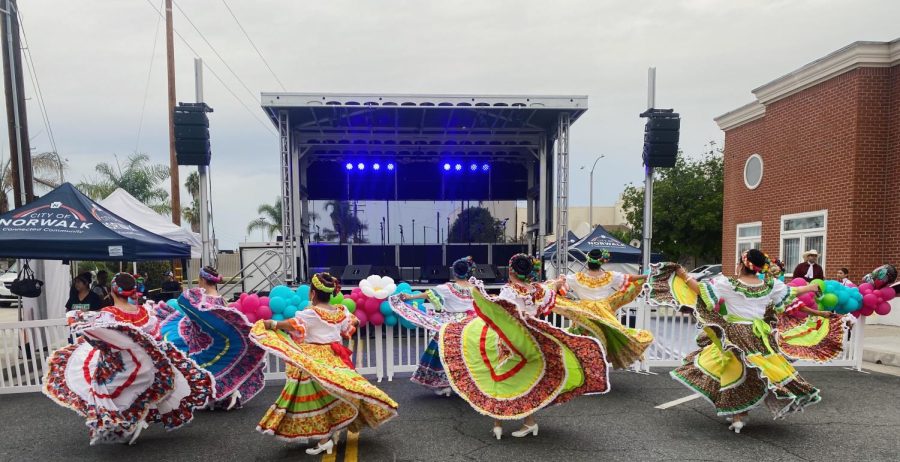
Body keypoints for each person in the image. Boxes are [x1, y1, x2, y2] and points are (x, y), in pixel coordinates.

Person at [649, 249, 822, 433]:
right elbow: (792, 290)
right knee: (756, 371)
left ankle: (739, 415)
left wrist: (684, 275)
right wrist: (810, 288)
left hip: (736, 333)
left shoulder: (728, 283)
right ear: (758, 268)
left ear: (742, 264)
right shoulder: (769, 286)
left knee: (734, 370)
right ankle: (739, 413)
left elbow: (700, 289)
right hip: (759, 336)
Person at [439, 254, 609, 440]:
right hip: (533, 342)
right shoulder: (537, 290)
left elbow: (501, 310)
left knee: (501, 379)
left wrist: (486, 298)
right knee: (526, 382)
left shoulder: (509, 291)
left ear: (511, 270)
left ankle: (500, 424)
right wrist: (557, 283)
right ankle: (527, 422)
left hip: (511, 342)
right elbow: (549, 289)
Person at [43, 273, 214, 445]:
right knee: (124, 384)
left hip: (118, 372)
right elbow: (156, 338)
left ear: (112, 291)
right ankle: (132, 419)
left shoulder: (107, 315)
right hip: (145, 371)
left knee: (92, 378)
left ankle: (124, 421)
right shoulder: (145, 313)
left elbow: (96, 338)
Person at [251, 272, 398, 455]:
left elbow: (292, 325)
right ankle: (328, 436)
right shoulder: (340, 311)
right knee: (336, 393)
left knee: (319, 397)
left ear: (312, 293)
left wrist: (270, 324)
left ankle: (325, 439)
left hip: (315, 360)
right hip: (335, 357)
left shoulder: (310, 314)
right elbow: (351, 325)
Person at [154, 266, 267, 410]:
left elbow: (184, 301)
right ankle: (222, 396)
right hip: (219, 341)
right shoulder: (221, 301)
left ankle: (211, 396)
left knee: (197, 363)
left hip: (203, 342)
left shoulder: (200, 300)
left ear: (202, 280)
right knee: (217, 367)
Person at [553, 249, 654, 369]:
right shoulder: (610, 276)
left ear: (587, 261)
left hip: (584, 314)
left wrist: (552, 285)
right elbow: (630, 278)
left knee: (584, 340)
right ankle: (598, 368)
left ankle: (588, 368)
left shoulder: (576, 278)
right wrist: (646, 276)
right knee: (606, 338)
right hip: (604, 314)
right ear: (601, 262)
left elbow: (559, 284)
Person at [391, 257, 478, 396]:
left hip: (452, 323)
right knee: (470, 353)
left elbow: (429, 294)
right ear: (468, 272)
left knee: (443, 351)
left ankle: (445, 384)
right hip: (472, 324)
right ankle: (470, 383)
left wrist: (409, 297)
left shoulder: (448, 288)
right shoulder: (475, 287)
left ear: (454, 273)